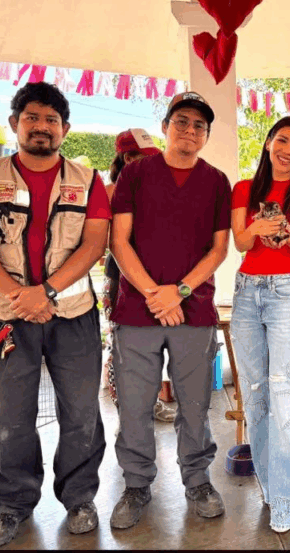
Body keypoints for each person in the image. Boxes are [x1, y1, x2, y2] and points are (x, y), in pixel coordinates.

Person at [0, 81, 112, 547]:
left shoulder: (88, 180)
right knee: (8, 417)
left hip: (73, 315)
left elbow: (94, 244)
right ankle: (12, 505)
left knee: (82, 413)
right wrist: (20, 296)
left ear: (65, 128)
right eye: (32, 118)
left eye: (51, 120)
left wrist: (45, 292)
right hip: (5, 317)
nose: (41, 127)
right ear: (15, 123)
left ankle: (80, 498)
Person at [108, 91, 231, 529]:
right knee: (134, 406)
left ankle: (197, 480)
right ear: (165, 127)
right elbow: (118, 240)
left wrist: (178, 292)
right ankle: (136, 484)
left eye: (199, 125)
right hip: (136, 312)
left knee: (194, 405)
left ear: (206, 135)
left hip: (192, 311)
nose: (189, 131)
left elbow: (219, 249)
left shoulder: (216, 181)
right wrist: (153, 294)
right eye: (181, 122)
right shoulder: (135, 174)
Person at [230, 117, 290, 533]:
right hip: (246, 292)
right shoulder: (244, 189)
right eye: (283, 140)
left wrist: (287, 235)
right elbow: (240, 242)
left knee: (286, 394)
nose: (289, 150)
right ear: (269, 142)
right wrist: (256, 227)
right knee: (255, 395)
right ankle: (271, 487)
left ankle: (287, 500)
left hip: (288, 291)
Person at [102, 129, 174, 422]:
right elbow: (107, 241)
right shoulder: (109, 192)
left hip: (156, 278)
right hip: (121, 278)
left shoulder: (159, 188)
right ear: (127, 158)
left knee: (152, 346)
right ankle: (128, 414)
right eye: (141, 157)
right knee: (122, 347)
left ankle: (150, 402)